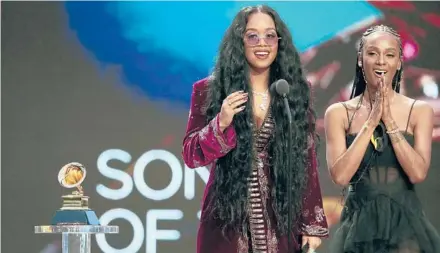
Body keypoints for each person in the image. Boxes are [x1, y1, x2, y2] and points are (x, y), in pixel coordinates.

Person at [182, 4, 328, 253]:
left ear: (279, 41)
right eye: (253, 36)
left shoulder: (293, 91)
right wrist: (221, 122)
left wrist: (311, 225)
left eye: (270, 35)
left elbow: (306, 160)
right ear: (239, 41)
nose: (263, 43)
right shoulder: (209, 90)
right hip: (226, 222)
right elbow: (191, 154)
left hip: (281, 217)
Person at [324, 24, 440, 253]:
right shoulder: (338, 113)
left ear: (399, 62)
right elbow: (340, 176)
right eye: (372, 53)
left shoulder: (420, 111)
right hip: (358, 224)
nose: (381, 61)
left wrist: (391, 124)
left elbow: (417, 173)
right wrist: (370, 122)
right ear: (360, 60)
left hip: (405, 223)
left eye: (389, 54)